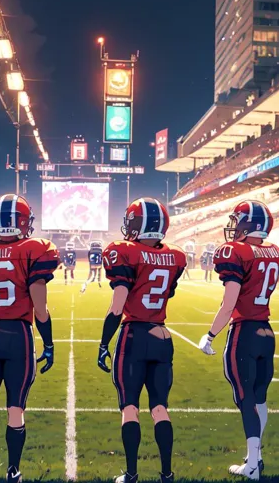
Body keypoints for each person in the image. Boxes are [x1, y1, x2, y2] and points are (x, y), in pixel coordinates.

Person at [0, 193, 60, 483]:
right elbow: (40, 310)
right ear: (23, 222)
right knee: (15, 408)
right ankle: (13, 471)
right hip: (19, 335)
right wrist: (50, 344)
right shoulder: (35, 250)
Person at [98, 197, 186, 483]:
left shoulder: (125, 252)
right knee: (160, 407)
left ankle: (132, 474)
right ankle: (166, 474)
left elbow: (117, 305)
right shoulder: (175, 256)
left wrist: (103, 343)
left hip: (133, 335)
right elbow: (168, 293)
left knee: (130, 407)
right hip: (162, 335)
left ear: (137, 225)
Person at [199, 199, 279, 481]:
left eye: (239, 221)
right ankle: (255, 458)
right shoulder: (273, 252)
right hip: (267, 333)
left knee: (245, 400)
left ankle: (253, 467)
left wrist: (210, 334)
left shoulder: (236, 251)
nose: (234, 227)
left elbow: (229, 301)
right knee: (259, 399)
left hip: (244, 331)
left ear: (251, 224)